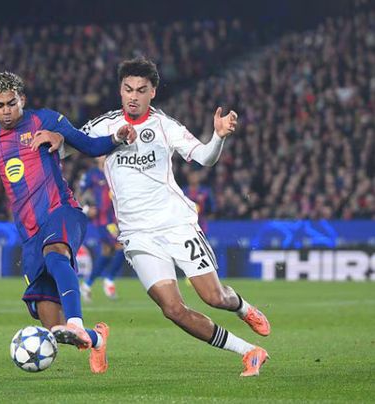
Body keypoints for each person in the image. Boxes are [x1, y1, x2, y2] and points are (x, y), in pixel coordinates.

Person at [31, 57, 271, 377]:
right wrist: (58, 139)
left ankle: (243, 307)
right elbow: (69, 147)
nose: (133, 96)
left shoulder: (165, 126)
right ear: (120, 90)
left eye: (141, 90)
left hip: (176, 224)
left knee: (214, 297)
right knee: (173, 309)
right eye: (128, 89)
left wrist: (218, 137)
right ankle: (249, 352)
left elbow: (205, 158)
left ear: (153, 92)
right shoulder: (103, 125)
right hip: (137, 235)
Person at [0, 71, 135, 374]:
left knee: (56, 253)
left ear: (22, 99)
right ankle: (96, 338)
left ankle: (77, 321)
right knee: (55, 330)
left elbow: (89, 146)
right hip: (29, 231)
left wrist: (117, 138)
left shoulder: (45, 119)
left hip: (62, 211)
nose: (6, 111)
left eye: (12, 103)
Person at [79, 156, 125, 301]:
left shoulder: (115, 170)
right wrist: (86, 209)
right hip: (103, 220)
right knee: (121, 246)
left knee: (107, 252)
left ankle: (87, 284)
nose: (103, 156)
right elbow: (78, 193)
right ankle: (109, 280)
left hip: (115, 217)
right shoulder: (92, 174)